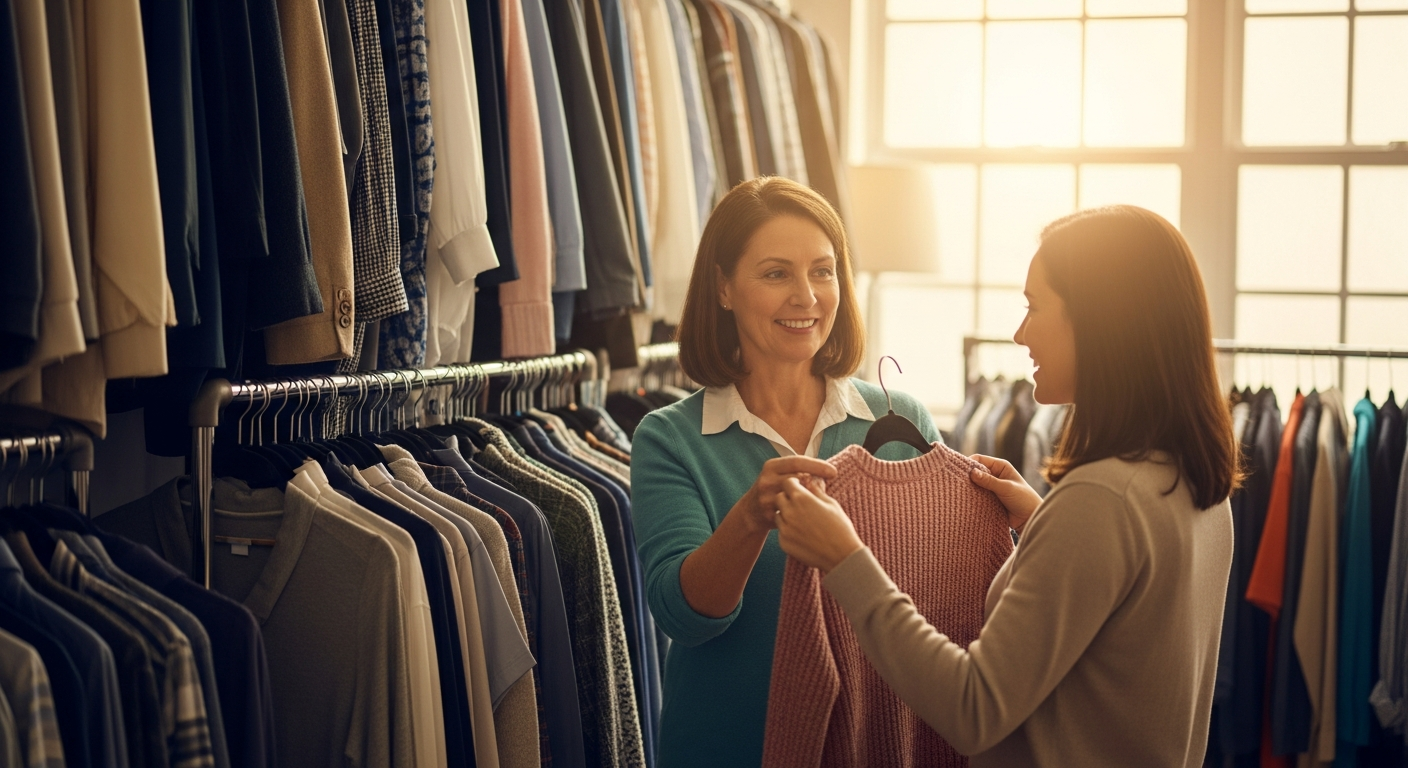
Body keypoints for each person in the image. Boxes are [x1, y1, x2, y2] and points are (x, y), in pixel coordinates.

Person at [774, 205, 1239, 767]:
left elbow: (974, 709)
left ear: (1100, 321)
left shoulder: (1100, 503)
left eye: (1035, 307)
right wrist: (1046, 523)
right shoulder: (1188, 482)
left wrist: (845, 557)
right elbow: (1121, 668)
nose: (1020, 334)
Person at [631, 176, 940, 767]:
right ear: (723, 288)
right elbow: (682, 617)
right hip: (728, 748)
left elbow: (940, 592)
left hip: (876, 746)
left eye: (823, 272)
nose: (807, 296)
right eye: (776, 274)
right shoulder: (670, 439)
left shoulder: (903, 421)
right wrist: (749, 518)